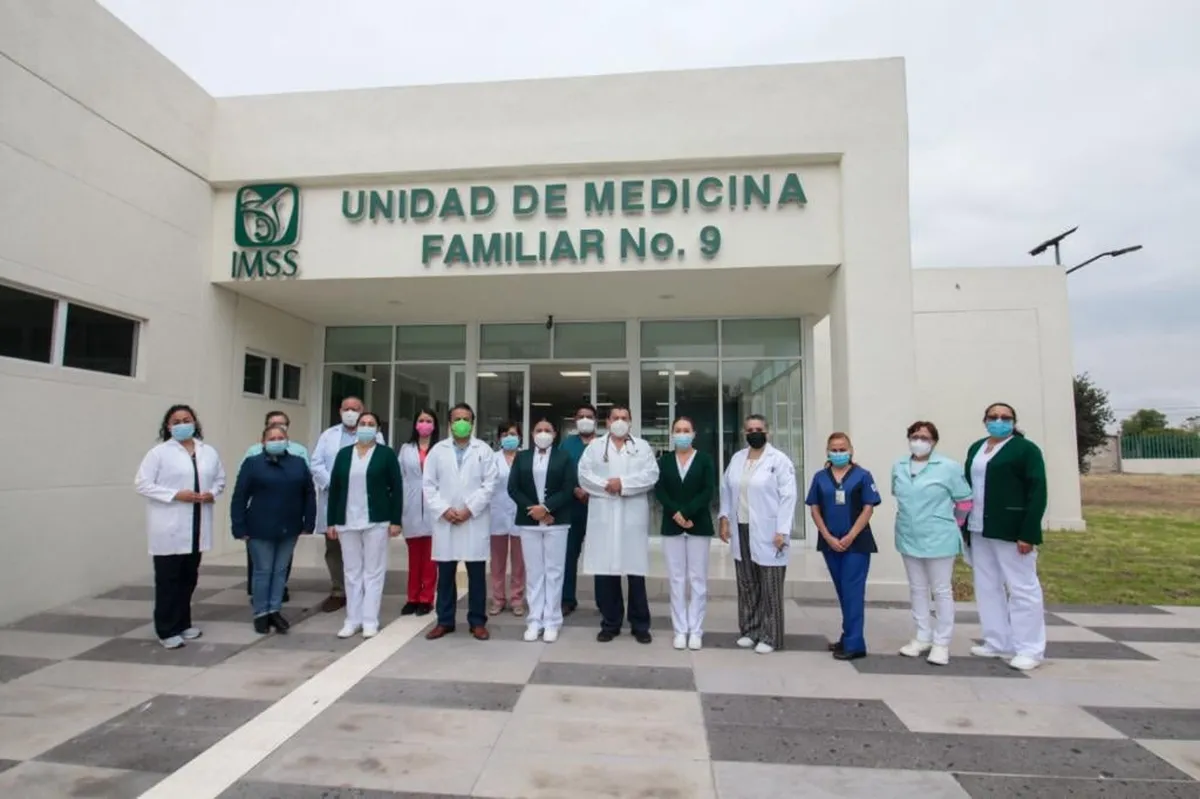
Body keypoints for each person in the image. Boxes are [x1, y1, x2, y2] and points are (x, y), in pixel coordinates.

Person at [964, 402, 1048, 671]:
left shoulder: (1026, 450)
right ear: (984, 419)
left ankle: (1030, 648)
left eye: (1005, 417)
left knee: (1022, 588)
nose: (999, 421)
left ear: (1013, 421)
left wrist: (1028, 532)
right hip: (979, 527)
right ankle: (997, 640)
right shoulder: (977, 448)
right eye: (993, 417)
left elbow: (1038, 492)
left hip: (1011, 530)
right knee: (987, 586)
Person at [134, 405, 226, 649]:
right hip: (169, 526)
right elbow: (142, 484)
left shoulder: (208, 452)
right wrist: (175, 494)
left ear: (195, 422)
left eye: (187, 419)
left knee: (189, 578)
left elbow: (220, 479)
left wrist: (211, 493)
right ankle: (166, 629)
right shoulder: (159, 453)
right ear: (168, 426)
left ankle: (183, 623)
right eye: (177, 421)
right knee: (168, 580)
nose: (183, 423)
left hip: (198, 524)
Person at [891, 421, 972, 665]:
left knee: (941, 590)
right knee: (917, 588)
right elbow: (899, 495)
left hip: (939, 536)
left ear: (934, 441)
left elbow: (965, 501)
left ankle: (941, 642)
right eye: (915, 436)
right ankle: (922, 635)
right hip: (908, 534)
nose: (919, 441)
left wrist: (952, 523)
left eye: (925, 437)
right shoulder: (899, 466)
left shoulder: (948, 467)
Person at [578, 405, 660, 644]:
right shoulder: (594, 447)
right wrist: (607, 485)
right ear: (607, 421)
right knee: (606, 572)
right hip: (603, 515)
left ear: (631, 422)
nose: (620, 421)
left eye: (625, 418)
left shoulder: (642, 447)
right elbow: (583, 475)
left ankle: (640, 624)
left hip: (631, 517)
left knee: (635, 572)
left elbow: (651, 475)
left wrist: (622, 484)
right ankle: (610, 623)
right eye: (616, 418)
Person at [718, 415, 796, 655]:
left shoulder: (779, 460)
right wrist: (724, 518)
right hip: (742, 527)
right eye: (750, 429)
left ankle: (771, 636)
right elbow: (726, 489)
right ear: (744, 433)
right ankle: (750, 630)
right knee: (747, 582)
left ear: (767, 432)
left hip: (769, 530)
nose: (754, 433)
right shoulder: (738, 458)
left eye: (759, 429)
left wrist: (782, 530)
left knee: (770, 584)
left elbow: (789, 496)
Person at [231, 423, 316, 634]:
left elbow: (309, 493)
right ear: (263, 442)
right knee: (263, 570)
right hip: (259, 526)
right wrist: (238, 526)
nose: (277, 441)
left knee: (280, 571)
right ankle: (261, 612)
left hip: (289, 526)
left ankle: (275, 610)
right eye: (272, 438)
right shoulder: (253, 464)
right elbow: (240, 496)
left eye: (281, 437)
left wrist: (309, 522)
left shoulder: (298, 463)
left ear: (287, 441)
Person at [423, 403, 498, 641]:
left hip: (473, 520)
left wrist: (469, 509)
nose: (461, 423)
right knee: (445, 574)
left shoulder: (483, 450)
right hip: (446, 521)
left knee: (476, 575)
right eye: (457, 419)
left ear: (472, 423)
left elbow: (490, 484)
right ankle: (445, 621)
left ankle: (477, 621)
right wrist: (444, 510)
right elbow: (428, 484)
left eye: (466, 419)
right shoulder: (438, 450)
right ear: (449, 423)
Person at [325, 412, 404, 639]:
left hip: (376, 520)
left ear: (378, 429)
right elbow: (336, 489)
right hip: (347, 520)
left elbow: (396, 488)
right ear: (356, 427)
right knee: (351, 572)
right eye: (363, 424)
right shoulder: (343, 455)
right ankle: (352, 619)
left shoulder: (386, 455)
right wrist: (331, 521)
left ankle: (370, 620)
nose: (366, 427)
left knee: (373, 572)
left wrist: (395, 520)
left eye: (371, 424)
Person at [806, 432, 882, 661]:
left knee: (853, 592)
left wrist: (851, 535)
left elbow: (869, 507)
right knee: (842, 591)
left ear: (851, 450)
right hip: (831, 543)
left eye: (842, 449)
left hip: (856, 544)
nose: (838, 453)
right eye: (834, 449)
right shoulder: (820, 477)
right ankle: (848, 635)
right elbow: (814, 508)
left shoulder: (862, 476)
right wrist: (827, 536)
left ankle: (855, 644)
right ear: (827, 451)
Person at [311, 396, 383, 613]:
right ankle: (338, 590)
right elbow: (316, 463)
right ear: (340, 411)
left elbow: (380, 465)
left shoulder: (375, 435)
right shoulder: (328, 435)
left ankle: (360, 589)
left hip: (362, 500)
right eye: (347, 408)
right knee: (334, 547)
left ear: (363, 411)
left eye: (356, 409)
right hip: (334, 497)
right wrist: (334, 484)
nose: (351, 412)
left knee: (362, 547)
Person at [508, 418, 577, 643]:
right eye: (539, 430)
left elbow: (569, 487)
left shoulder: (564, 457)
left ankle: (552, 620)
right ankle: (534, 620)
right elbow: (513, 488)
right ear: (531, 433)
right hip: (529, 522)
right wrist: (534, 510)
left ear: (555, 434)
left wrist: (547, 508)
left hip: (557, 521)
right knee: (535, 572)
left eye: (548, 430)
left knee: (554, 572)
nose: (543, 433)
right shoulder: (523, 456)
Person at [656, 417, 717, 651]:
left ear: (694, 433)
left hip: (698, 524)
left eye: (686, 430)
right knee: (677, 579)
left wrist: (688, 512)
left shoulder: (704, 460)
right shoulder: (665, 461)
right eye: (678, 430)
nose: (682, 434)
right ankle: (680, 630)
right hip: (672, 525)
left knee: (698, 579)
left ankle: (696, 630)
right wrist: (676, 513)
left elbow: (707, 490)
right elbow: (659, 489)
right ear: (672, 434)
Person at [243, 410, 308, 604]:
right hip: (260, 517)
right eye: (273, 424)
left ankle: (276, 598)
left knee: (281, 564)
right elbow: (243, 488)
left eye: (282, 425)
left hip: (288, 515)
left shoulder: (298, 453)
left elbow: (307, 486)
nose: (278, 429)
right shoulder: (253, 454)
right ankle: (259, 598)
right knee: (260, 563)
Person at [397, 410, 439, 616]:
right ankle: (412, 597)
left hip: (433, 506)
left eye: (428, 421)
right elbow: (399, 477)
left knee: (431, 559)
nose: (424, 424)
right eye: (421, 420)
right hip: (411, 504)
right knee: (414, 557)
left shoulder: (440, 449)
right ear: (415, 424)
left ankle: (426, 598)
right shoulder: (406, 449)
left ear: (435, 425)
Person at [559, 403, 598, 616]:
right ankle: (567, 599)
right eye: (581, 416)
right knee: (568, 554)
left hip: (598, 507)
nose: (585, 419)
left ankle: (605, 600)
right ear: (575, 420)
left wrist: (593, 491)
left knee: (601, 556)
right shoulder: (567, 445)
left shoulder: (604, 444)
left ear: (596, 420)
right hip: (572, 506)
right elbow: (561, 472)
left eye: (589, 416)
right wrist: (575, 489)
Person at [489, 421, 526, 617]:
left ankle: (517, 598)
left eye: (512, 434)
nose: (509, 437)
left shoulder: (525, 458)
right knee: (497, 561)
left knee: (519, 562)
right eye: (505, 434)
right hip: (497, 514)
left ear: (519, 437)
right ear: (499, 438)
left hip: (520, 514)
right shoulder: (492, 459)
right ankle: (497, 598)